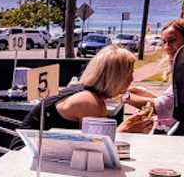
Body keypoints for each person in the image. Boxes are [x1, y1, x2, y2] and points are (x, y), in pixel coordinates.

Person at [22, 45, 151, 132]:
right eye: (130, 73)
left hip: (43, 152)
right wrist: (126, 130)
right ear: (117, 77)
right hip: (25, 156)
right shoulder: (90, 102)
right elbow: (97, 149)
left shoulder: (83, 91)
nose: (132, 79)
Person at [123, 18, 184, 132]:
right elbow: (172, 101)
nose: (166, 47)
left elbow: (163, 107)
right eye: (164, 42)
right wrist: (135, 91)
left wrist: (123, 96)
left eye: (172, 40)